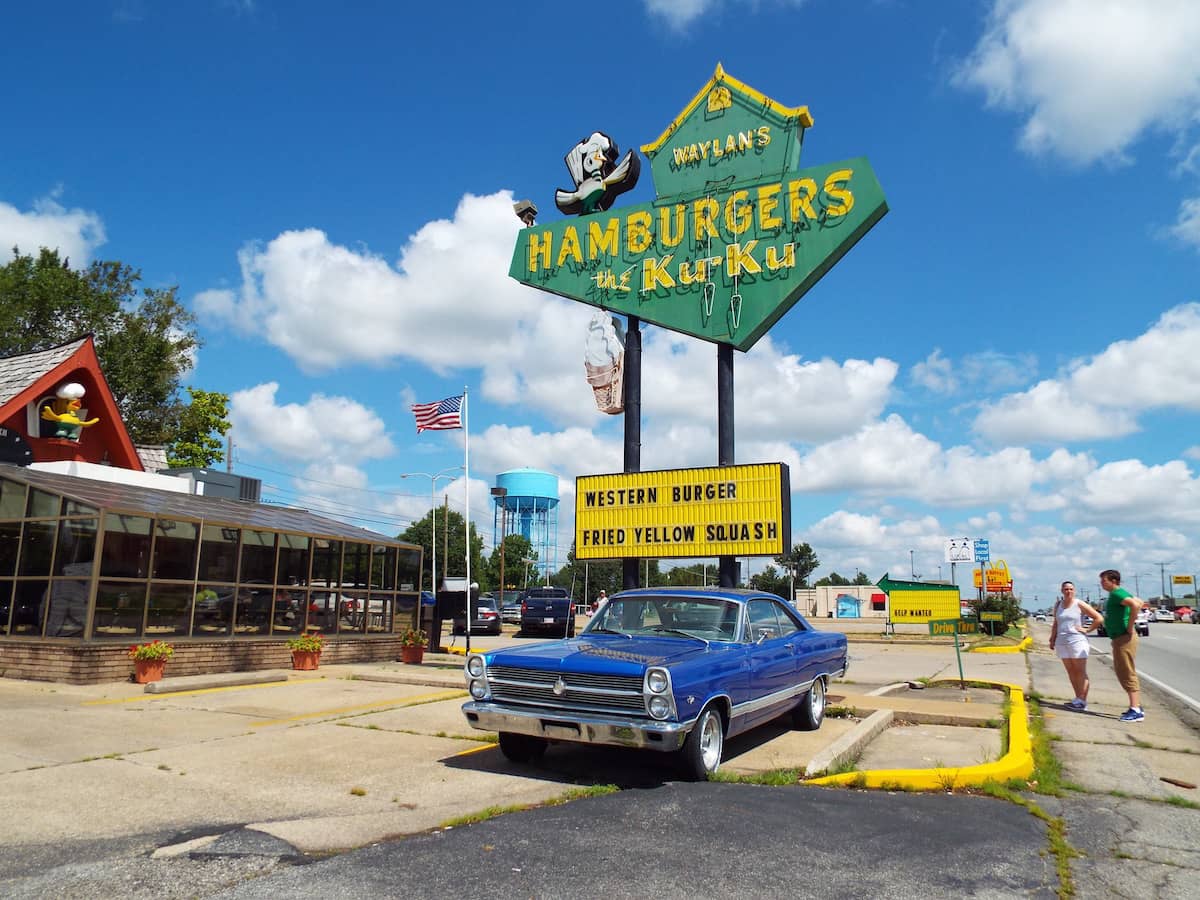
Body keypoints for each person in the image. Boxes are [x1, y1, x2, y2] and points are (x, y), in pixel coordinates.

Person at [1048, 581, 1103, 710]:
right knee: (1071, 671)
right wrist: (1052, 639)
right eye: (1066, 589)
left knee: (1080, 671)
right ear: (1062, 590)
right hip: (1062, 641)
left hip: (1077, 640)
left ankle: (1082, 701)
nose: (1069, 591)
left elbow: (1098, 618)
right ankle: (1077, 698)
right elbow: (1056, 623)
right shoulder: (1058, 605)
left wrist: (1087, 630)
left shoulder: (1079, 604)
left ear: (1075, 591)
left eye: (1071, 589)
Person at [1100, 569, 1144, 722]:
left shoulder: (1118, 593)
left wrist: (1130, 625)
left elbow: (1135, 605)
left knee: (1126, 672)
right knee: (1123, 670)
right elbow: (1139, 601)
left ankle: (1135, 710)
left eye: (1103, 580)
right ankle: (1136, 705)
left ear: (1113, 581)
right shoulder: (1117, 594)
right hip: (1119, 638)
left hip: (1124, 638)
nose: (1101, 584)